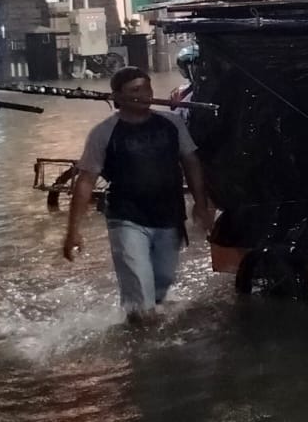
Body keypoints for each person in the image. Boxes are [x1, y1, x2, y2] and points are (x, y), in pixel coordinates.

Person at [61, 67, 214, 322]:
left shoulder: (171, 124)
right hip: (127, 218)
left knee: (161, 284)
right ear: (117, 98)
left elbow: (191, 162)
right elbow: (86, 181)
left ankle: (142, 323)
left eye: (147, 88)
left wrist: (201, 203)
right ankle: (141, 346)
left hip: (169, 217)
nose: (144, 95)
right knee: (141, 299)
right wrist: (73, 231)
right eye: (135, 91)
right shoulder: (103, 133)